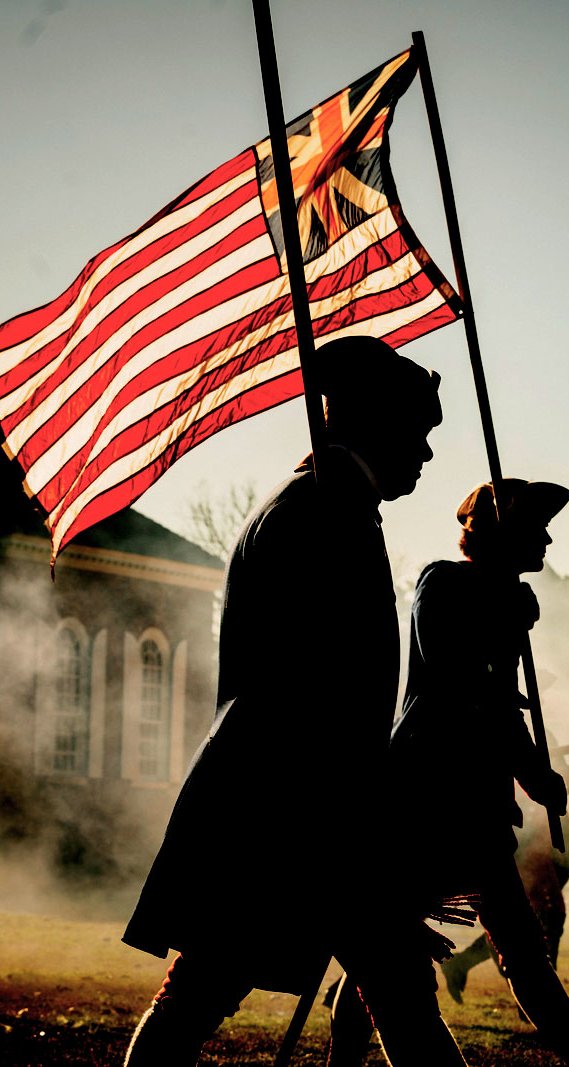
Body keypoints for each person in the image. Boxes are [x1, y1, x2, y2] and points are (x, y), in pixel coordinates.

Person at [120, 335, 472, 1067]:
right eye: (420, 431)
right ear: (375, 420)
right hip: (283, 810)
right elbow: (308, 693)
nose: (428, 455)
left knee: (400, 992)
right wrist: (354, 810)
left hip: (321, 813)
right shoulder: (319, 513)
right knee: (199, 992)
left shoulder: (336, 506)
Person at [327, 478, 569, 1067]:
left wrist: (533, 773)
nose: (546, 539)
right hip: (424, 800)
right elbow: (462, 687)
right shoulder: (442, 583)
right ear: (500, 533)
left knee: (517, 945)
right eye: (535, 528)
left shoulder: (500, 599)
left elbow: (499, 708)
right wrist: (500, 620)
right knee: (389, 948)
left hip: (478, 805)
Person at [440, 742, 569, 1004]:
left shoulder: (536, 737)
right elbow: (544, 784)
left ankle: (464, 964)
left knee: (522, 920)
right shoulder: (518, 736)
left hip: (542, 845)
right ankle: (540, 992)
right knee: (543, 915)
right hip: (531, 843)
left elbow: (554, 778)